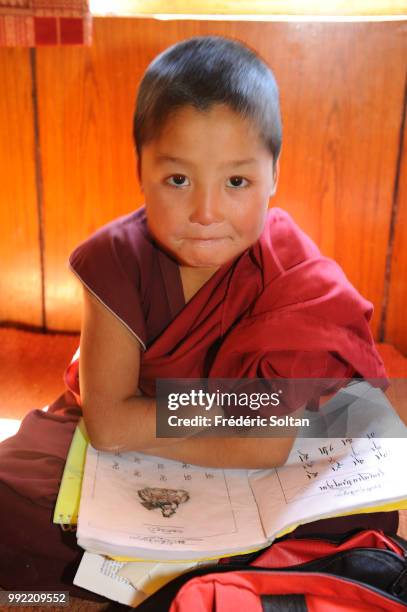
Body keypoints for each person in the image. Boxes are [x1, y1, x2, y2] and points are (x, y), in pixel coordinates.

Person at [0, 35, 396, 597]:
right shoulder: (115, 260)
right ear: (140, 168)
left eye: (237, 182)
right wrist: (238, 412)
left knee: (358, 522)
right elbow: (109, 425)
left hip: (239, 467)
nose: (206, 213)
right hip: (127, 461)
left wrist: (174, 421)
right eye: (178, 180)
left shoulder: (292, 271)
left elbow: (273, 444)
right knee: (9, 493)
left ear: (274, 175)